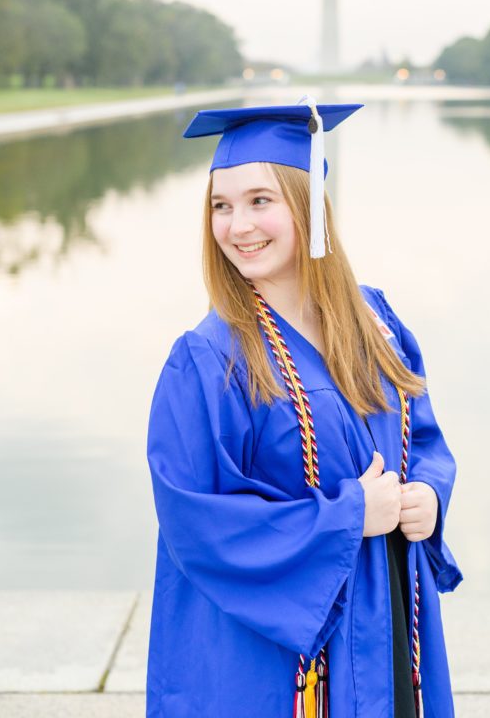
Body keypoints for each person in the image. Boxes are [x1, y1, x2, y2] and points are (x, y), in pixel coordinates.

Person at [146, 98, 463, 718]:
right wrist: (349, 517)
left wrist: (428, 494)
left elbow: (419, 437)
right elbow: (197, 525)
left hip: (385, 621)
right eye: (221, 205)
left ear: (310, 205)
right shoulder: (210, 361)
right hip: (276, 664)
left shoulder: (375, 321)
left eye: (260, 200)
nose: (238, 226)